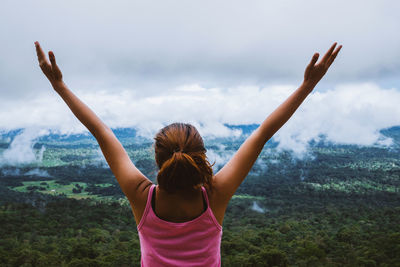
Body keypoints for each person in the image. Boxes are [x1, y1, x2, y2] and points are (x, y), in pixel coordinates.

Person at [34, 41, 342, 266]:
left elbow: (101, 132)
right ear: (200, 157)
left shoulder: (143, 198)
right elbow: (262, 134)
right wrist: (308, 85)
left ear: (158, 159)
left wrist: (59, 85)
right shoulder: (214, 196)